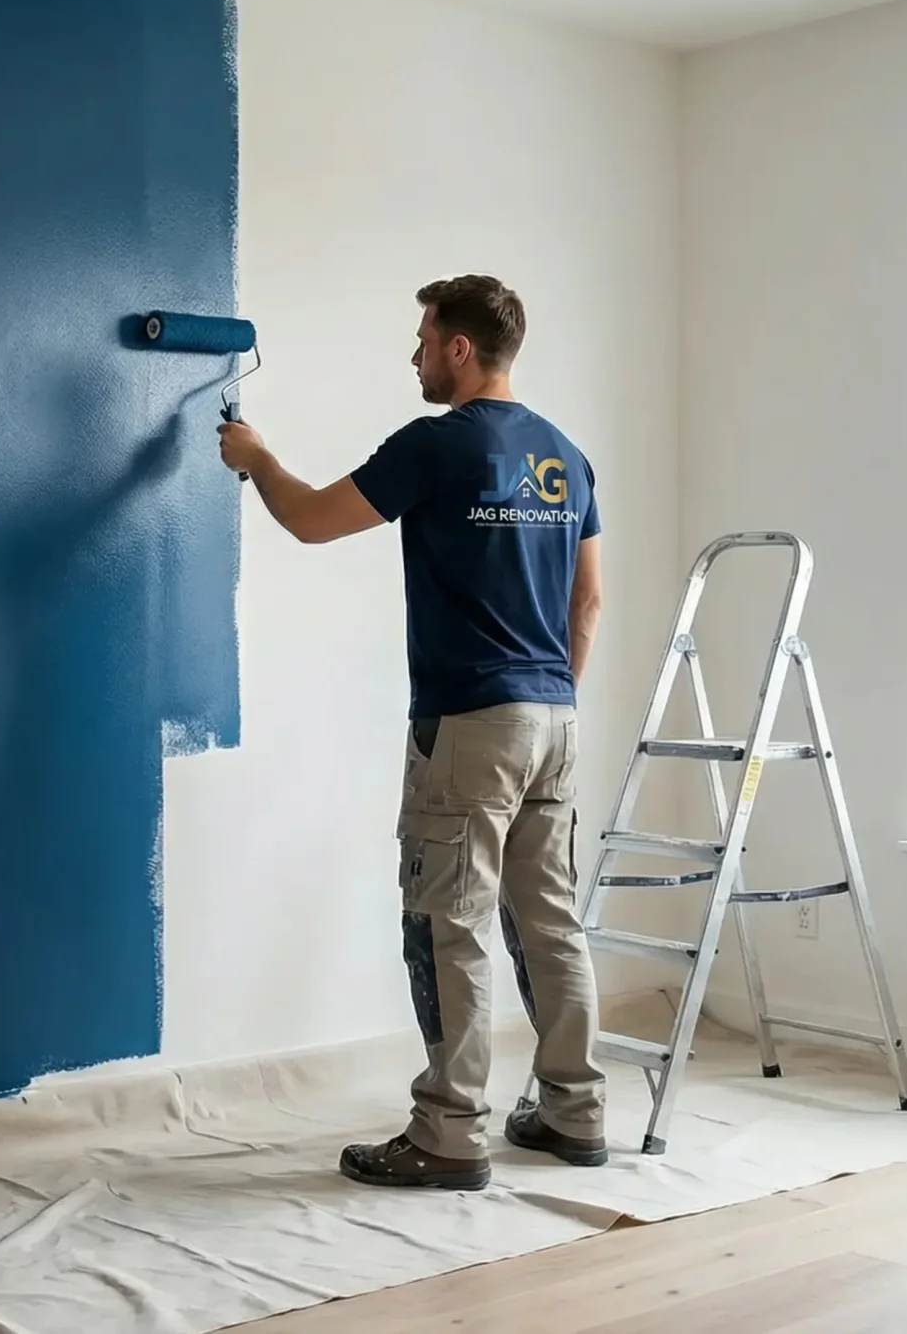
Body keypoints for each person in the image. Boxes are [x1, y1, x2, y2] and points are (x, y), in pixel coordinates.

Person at [215, 274, 608, 1186]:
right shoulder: (567, 456)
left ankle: (449, 1133)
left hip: (471, 722)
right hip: (555, 716)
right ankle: (574, 1113)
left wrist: (256, 457)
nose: (416, 355)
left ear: (460, 349)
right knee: (548, 920)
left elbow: (311, 520)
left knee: (449, 924)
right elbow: (588, 602)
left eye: (424, 340)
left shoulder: (440, 444)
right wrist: (547, 700)